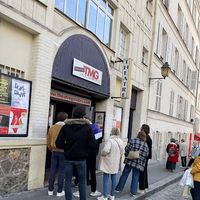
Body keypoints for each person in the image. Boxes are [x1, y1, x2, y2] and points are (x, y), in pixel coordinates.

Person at [56, 106, 97, 200]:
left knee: (68, 182)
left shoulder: (65, 127)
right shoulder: (87, 128)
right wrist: (85, 149)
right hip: (81, 159)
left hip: (69, 158)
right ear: (83, 116)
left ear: (73, 114)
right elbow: (93, 145)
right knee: (82, 182)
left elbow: (58, 143)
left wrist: (67, 147)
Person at [73, 116, 101, 198]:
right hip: (93, 153)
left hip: (84, 153)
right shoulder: (97, 128)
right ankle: (94, 190)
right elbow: (99, 141)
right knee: (92, 172)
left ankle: (80, 191)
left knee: (83, 172)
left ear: (85, 120)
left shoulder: (84, 128)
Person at [115, 131, 149, 195]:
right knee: (135, 177)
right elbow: (146, 155)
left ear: (138, 135)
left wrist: (127, 155)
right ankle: (133, 192)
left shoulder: (133, 141)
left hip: (130, 161)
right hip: (138, 164)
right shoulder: (145, 145)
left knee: (124, 174)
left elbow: (127, 149)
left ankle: (118, 189)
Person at [97, 128, 124, 200]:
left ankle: (105, 196)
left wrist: (102, 153)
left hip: (108, 162)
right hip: (115, 162)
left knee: (105, 178)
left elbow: (105, 150)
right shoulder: (120, 141)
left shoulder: (110, 141)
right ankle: (112, 195)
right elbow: (122, 152)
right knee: (114, 178)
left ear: (112, 132)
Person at [47, 112, 68, 197]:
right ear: (65, 118)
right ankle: (59, 191)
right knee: (62, 171)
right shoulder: (67, 128)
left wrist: (51, 149)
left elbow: (48, 140)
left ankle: (50, 190)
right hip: (63, 152)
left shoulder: (52, 127)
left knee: (52, 171)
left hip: (54, 151)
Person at [138, 124, 152, 194]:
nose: (140, 128)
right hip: (146, 156)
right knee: (144, 171)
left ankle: (142, 187)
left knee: (142, 172)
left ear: (144, 129)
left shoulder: (145, 137)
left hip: (144, 156)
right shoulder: (148, 136)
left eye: (141, 127)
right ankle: (145, 186)